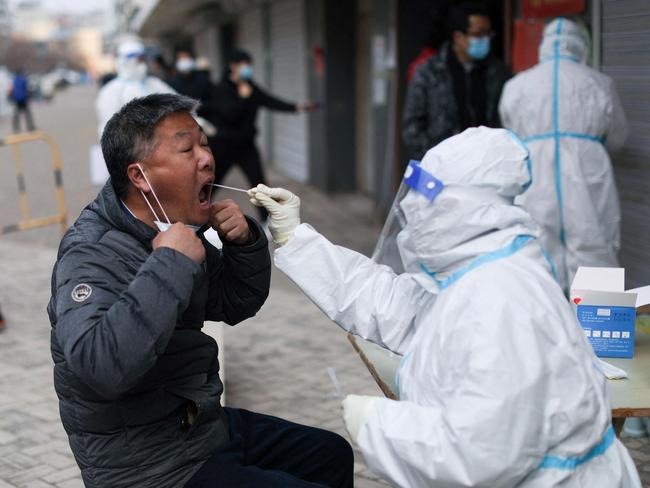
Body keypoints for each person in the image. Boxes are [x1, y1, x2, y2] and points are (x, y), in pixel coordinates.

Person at [249, 127, 641, 487]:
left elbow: (483, 454)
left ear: (461, 206)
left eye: (425, 198)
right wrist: (295, 237)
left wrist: (378, 424)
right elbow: (392, 304)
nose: (413, 211)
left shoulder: (502, 299)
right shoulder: (476, 271)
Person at [48, 93, 353, 488]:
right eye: (186, 149)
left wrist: (245, 243)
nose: (207, 158)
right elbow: (101, 366)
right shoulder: (91, 252)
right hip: (147, 465)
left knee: (329, 454)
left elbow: (235, 302)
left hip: (199, 426)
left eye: (204, 143)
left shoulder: (169, 226)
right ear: (139, 175)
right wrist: (170, 265)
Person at [499, 18, 628, 292]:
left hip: (534, 175)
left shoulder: (516, 86)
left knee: (537, 248)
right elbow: (617, 135)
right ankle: (598, 330)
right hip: (587, 172)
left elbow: (509, 133)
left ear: (544, 46)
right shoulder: (599, 83)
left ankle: (545, 326)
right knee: (595, 245)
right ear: (581, 46)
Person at [209, 49, 316, 222]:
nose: (248, 68)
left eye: (249, 65)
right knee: (211, 184)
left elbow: (269, 101)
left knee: (259, 187)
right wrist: (243, 98)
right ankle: (195, 218)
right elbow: (229, 115)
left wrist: (297, 107)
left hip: (246, 147)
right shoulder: (221, 89)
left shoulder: (250, 86)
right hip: (224, 146)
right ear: (233, 66)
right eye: (245, 64)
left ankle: (267, 223)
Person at [402, 2, 510, 160]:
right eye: (478, 34)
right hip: (444, 166)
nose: (485, 40)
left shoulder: (498, 73)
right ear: (458, 37)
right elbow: (412, 127)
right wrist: (436, 158)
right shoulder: (429, 72)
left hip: (487, 164)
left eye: (488, 34)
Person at [95, 39, 175, 138]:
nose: (142, 63)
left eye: (143, 59)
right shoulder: (112, 91)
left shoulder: (154, 83)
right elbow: (110, 127)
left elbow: (176, 104)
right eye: (138, 60)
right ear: (125, 61)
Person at [9, 68, 36, 133]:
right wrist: (29, 96)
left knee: (16, 114)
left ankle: (16, 128)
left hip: (17, 99)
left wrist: (12, 97)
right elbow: (28, 88)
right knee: (27, 113)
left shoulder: (14, 80)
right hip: (24, 99)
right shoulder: (24, 79)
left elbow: (12, 89)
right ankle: (30, 127)